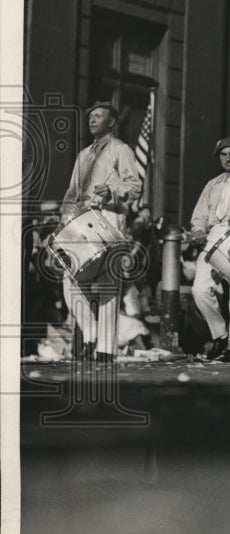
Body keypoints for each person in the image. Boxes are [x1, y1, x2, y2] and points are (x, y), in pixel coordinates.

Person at [59, 101, 142, 362]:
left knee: (108, 281)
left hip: (109, 215)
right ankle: (92, 331)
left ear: (111, 121)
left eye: (98, 116)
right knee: (70, 276)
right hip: (83, 220)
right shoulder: (83, 154)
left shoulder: (121, 150)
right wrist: (65, 218)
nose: (92, 120)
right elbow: (72, 192)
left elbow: (135, 186)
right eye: (90, 116)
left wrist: (112, 191)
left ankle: (106, 349)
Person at [187, 136, 230, 362]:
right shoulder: (212, 184)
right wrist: (197, 230)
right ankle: (221, 335)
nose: (227, 159)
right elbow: (200, 214)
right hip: (214, 235)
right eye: (223, 155)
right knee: (199, 288)